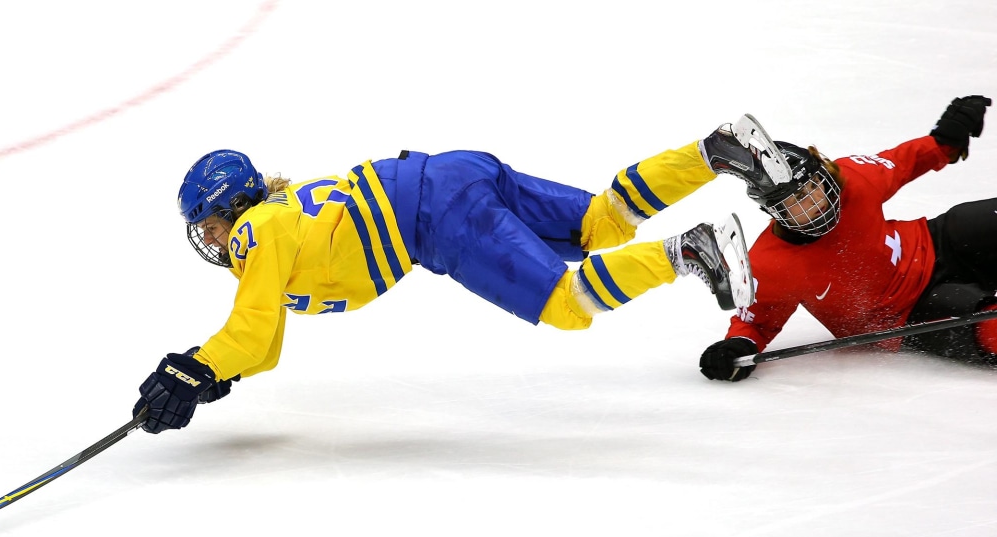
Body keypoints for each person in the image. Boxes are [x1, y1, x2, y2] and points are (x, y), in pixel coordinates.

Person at [132, 117, 785, 434]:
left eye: (208, 224)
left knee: (565, 303)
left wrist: (194, 367)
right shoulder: (278, 216)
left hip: (435, 214)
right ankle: (715, 151)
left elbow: (249, 328)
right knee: (599, 224)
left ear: (228, 209)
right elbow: (262, 344)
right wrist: (213, 370)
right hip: (450, 173)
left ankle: (689, 250)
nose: (211, 240)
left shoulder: (256, 232)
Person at [698, 95, 995, 382]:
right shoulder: (771, 262)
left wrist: (945, 141)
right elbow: (756, 322)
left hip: (934, 242)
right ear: (775, 212)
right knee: (990, 329)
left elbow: (901, 163)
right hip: (907, 315)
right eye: (795, 201)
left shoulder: (852, 180)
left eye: (813, 186)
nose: (813, 201)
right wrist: (736, 347)